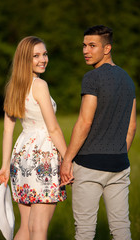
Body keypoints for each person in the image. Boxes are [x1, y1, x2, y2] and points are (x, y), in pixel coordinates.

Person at [60, 25, 136, 240]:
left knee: (84, 232)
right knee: (121, 229)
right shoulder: (128, 81)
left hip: (89, 165)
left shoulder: (92, 78)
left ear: (107, 48)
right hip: (120, 164)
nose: (86, 50)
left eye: (92, 46)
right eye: (84, 45)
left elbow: (84, 122)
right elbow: (131, 128)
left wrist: (67, 160)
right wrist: (118, 154)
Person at [0, 36, 67, 240]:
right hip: (43, 158)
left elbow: (8, 131)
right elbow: (53, 129)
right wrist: (69, 159)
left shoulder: (13, 87)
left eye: (44, 54)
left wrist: (4, 166)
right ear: (24, 59)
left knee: (26, 228)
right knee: (38, 230)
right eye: (35, 56)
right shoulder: (39, 85)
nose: (42, 59)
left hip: (20, 159)